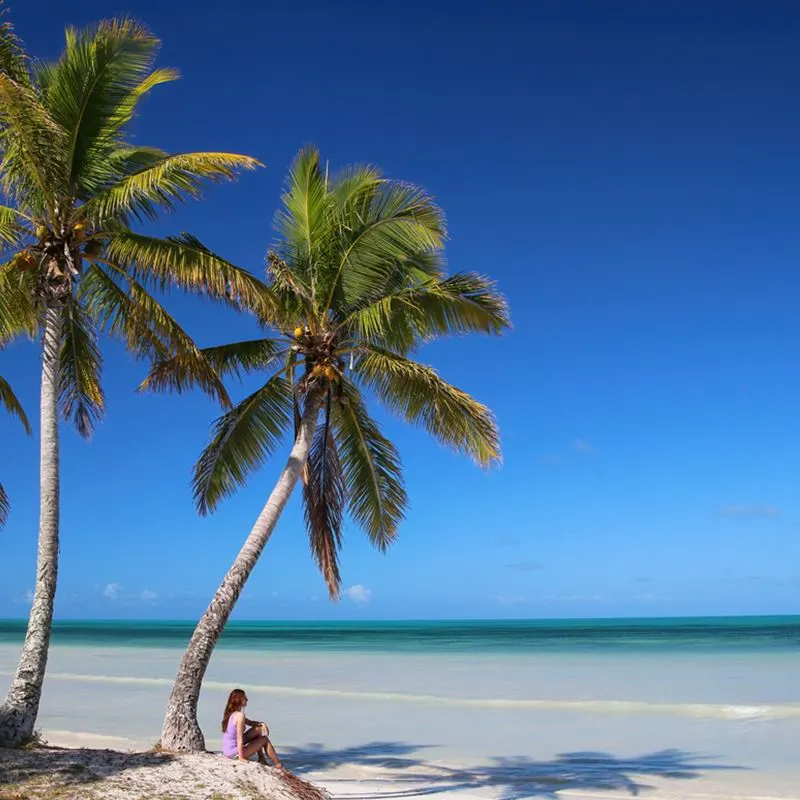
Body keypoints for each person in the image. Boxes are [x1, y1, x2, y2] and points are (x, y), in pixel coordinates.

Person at [221, 688, 284, 768]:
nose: (247, 699)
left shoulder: (233, 713)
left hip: (228, 750)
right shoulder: (239, 716)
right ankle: (278, 764)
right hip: (233, 754)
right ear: (239, 700)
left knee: (258, 730)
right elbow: (239, 738)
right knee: (264, 739)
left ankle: (262, 759)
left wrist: (262, 724)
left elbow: (250, 723)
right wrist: (241, 757)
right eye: (244, 698)